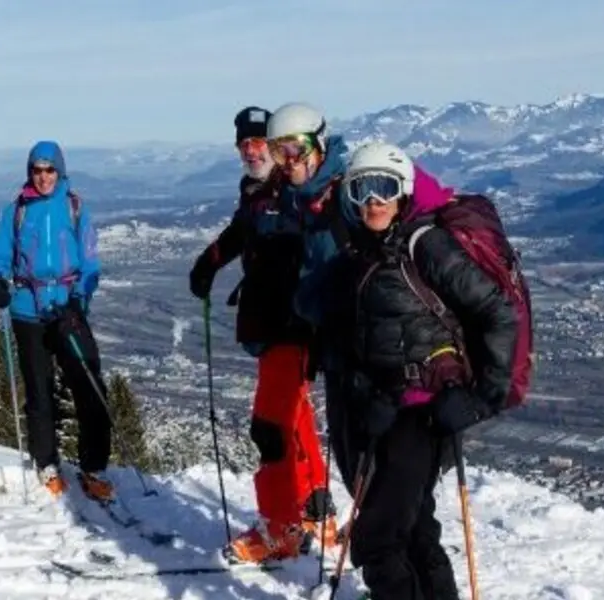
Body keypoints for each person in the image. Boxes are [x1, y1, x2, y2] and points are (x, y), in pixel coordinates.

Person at [323, 142, 516, 600]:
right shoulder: (368, 250)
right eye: (362, 189)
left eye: (384, 188)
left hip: (426, 412)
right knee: (413, 529)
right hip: (390, 409)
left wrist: (480, 398)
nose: (373, 200)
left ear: (404, 192)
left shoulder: (424, 244)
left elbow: (498, 313)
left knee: (376, 540)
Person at [188, 105, 339, 563]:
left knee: (268, 426)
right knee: (294, 417)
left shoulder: (294, 190)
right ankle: (316, 512)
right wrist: (211, 260)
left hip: (294, 323)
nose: (252, 152)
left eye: (260, 143)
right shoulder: (256, 190)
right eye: (245, 145)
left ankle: (280, 530)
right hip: (271, 322)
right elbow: (241, 231)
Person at [0, 140, 115, 502]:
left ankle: (94, 466)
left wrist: (79, 301)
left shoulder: (74, 208)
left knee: (88, 385)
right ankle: (47, 463)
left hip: (68, 310)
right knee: (39, 392)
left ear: (60, 171)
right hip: (28, 310)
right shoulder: (16, 211)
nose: (43, 177)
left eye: (49, 170)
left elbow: (90, 262)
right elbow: (0, 253)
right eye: (37, 171)